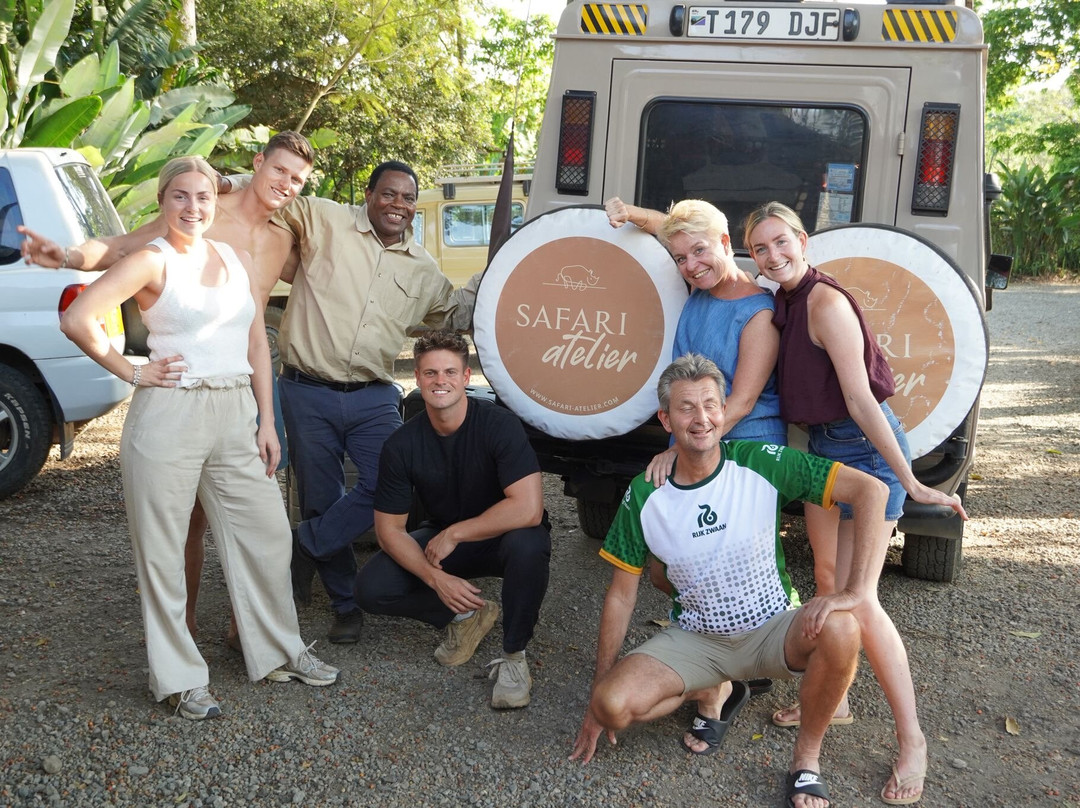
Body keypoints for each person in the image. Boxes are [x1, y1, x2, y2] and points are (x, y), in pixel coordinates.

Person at [57, 156, 337, 719]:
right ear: (163, 203)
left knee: (268, 534)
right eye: (180, 197)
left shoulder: (232, 258)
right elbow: (78, 318)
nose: (193, 207)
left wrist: (265, 420)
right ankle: (181, 678)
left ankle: (278, 649)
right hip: (170, 414)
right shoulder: (149, 260)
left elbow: (258, 343)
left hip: (236, 411)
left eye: (203, 197)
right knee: (162, 551)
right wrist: (134, 371)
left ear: (216, 202)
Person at [19, 132, 315, 650]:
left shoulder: (281, 240)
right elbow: (119, 248)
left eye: (297, 179)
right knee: (187, 525)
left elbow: (259, 333)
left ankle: (247, 632)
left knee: (258, 521)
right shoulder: (200, 206)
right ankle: (186, 629)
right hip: (183, 390)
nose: (285, 185)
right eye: (279, 171)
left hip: (240, 392)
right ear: (258, 163)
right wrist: (66, 254)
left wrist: (268, 419)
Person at [570, 354, 892, 808]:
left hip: (773, 629)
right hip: (697, 638)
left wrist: (855, 591)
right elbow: (622, 596)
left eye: (710, 405)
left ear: (724, 411)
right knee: (612, 706)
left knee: (842, 626)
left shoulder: (758, 461)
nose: (701, 418)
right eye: (686, 408)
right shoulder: (645, 492)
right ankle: (710, 687)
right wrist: (595, 692)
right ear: (665, 418)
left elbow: (871, 491)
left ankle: (806, 761)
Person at [744, 201, 969, 805]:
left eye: (780, 242)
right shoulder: (782, 301)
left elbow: (865, 403)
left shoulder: (824, 302)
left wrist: (914, 481)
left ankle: (912, 739)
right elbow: (693, 240)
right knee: (823, 578)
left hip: (865, 452)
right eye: (760, 248)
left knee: (862, 600)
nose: (772, 255)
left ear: (803, 241)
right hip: (823, 452)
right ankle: (835, 697)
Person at [225, 161, 478, 645]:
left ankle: (303, 544)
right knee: (320, 497)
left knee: (394, 484)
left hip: (372, 394)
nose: (398, 205)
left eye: (408, 198)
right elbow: (270, 193)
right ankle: (345, 605)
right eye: (389, 194)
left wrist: (499, 276)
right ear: (369, 193)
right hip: (306, 390)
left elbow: (459, 312)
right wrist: (221, 184)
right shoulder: (325, 218)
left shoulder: (422, 269)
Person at [607, 197, 785, 671]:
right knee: (668, 562)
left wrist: (683, 451)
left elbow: (742, 402)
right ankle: (707, 643)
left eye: (700, 253)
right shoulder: (702, 289)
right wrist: (628, 211)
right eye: (681, 258)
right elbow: (677, 230)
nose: (690, 265)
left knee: (728, 563)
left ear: (727, 244)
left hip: (744, 444)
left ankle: (747, 657)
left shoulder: (760, 313)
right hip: (695, 436)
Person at [351, 331, 551, 708]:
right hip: (442, 541)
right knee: (371, 588)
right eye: (429, 373)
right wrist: (435, 579)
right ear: (418, 377)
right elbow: (388, 529)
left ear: (466, 377)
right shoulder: (402, 444)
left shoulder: (498, 425)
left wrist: (457, 533)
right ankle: (465, 617)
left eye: (448, 372)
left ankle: (513, 658)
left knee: (530, 542)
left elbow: (528, 508)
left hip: (498, 535)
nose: (439, 381)